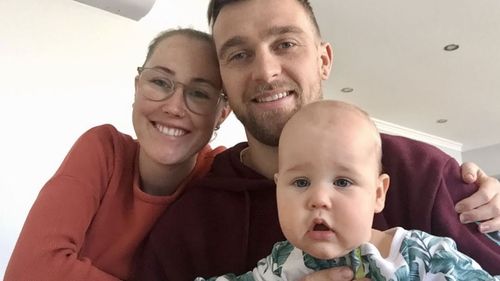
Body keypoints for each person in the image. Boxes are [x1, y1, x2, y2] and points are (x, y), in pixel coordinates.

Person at [134, 0, 500, 280]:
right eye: (239, 54)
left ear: (324, 59)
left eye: (286, 43)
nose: (265, 71)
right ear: (223, 84)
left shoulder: (424, 173)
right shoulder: (190, 223)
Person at [4, 28, 230, 281]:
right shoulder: (104, 150)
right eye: (159, 82)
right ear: (137, 87)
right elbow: (28, 272)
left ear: (222, 113)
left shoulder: (225, 177)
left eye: (199, 93)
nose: (174, 107)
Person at [195, 100, 498, 281]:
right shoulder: (280, 266)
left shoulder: (425, 256)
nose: (318, 199)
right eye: (300, 182)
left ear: (379, 194)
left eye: (342, 182)